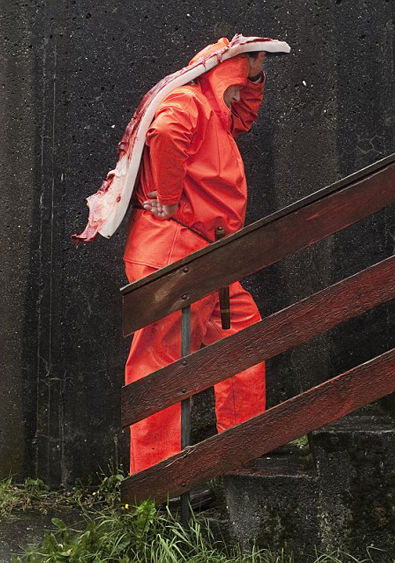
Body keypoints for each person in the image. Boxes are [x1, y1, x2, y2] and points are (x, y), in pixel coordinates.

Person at [123, 38, 267, 475]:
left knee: (243, 337)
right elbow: (165, 132)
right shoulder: (187, 100)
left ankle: (240, 454)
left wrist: (255, 72)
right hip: (173, 251)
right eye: (239, 82)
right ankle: (157, 487)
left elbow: (241, 115)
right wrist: (166, 197)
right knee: (160, 368)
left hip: (206, 255)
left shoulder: (214, 110)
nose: (242, 94)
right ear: (220, 76)